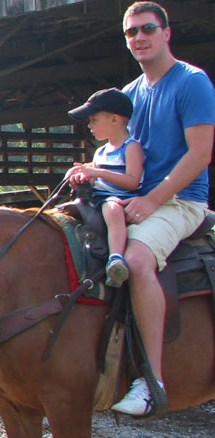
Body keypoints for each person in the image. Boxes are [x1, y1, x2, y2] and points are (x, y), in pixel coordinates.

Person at [111, 1, 215, 417]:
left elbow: (200, 153)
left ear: (166, 33)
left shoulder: (192, 82)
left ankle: (151, 381)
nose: (139, 37)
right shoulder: (131, 95)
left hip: (181, 200)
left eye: (147, 29)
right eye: (131, 32)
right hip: (140, 200)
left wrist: (153, 199)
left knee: (135, 260)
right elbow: (128, 158)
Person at [64, 88, 144, 288]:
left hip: (116, 199)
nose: (89, 126)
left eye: (94, 120)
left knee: (112, 209)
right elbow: (95, 180)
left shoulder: (132, 147)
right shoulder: (100, 151)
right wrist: (83, 178)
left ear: (115, 120)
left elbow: (132, 181)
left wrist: (96, 172)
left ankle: (115, 258)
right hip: (97, 197)